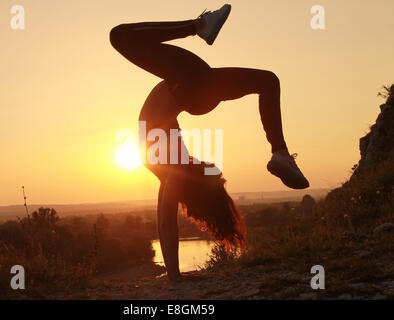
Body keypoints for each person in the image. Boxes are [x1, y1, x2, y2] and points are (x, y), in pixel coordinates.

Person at [110, 4, 309, 282]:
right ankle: (279, 152)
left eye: (215, 176)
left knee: (120, 36)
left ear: (202, 184)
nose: (215, 168)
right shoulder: (173, 171)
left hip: (189, 87)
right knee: (267, 81)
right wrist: (174, 275)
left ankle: (198, 26)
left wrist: (175, 276)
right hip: (189, 87)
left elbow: (165, 222)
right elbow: (164, 222)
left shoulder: (174, 176)